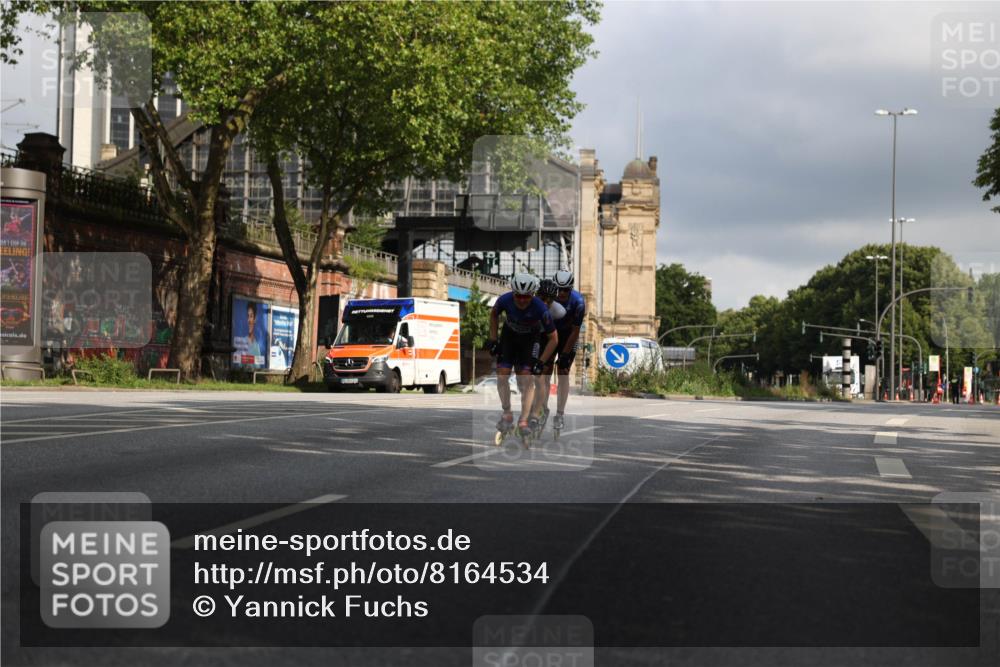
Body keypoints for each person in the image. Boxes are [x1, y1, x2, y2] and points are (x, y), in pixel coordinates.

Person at [486, 273, 559, 438]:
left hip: (529, 341)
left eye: (526, 297)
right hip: (509, 338)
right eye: (518, 296)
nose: (521, 300)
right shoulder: (504, 300)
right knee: (502, 375)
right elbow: (493, 314)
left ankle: (524, 420)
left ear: (532, 294)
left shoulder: (540, 308)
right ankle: (507, 413)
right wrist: (493, 339)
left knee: (527, 379)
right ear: (513, 293)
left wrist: (541, 361)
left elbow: (554, 339)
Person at [548, 268, 586, 431]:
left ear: (571, 289)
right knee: (544, 369)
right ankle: (542, 406)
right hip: (551, 335)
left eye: (565, 290)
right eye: (559, 289)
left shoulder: (578, 302)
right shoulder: (549, 297)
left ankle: (560, 414)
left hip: (569, 337)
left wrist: (564, 354)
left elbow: (575, 331)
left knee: (563, 372)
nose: (562, 293)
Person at [531, 278, 566, 426]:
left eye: (549, 300)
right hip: (534, 336)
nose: (545, 303)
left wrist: (563, 355)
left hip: (551, 338)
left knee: (544, 375)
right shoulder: (529, 303)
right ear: (536, 295)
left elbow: (557, 338)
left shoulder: (559, 312)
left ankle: (541, 409)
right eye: (542, 298)